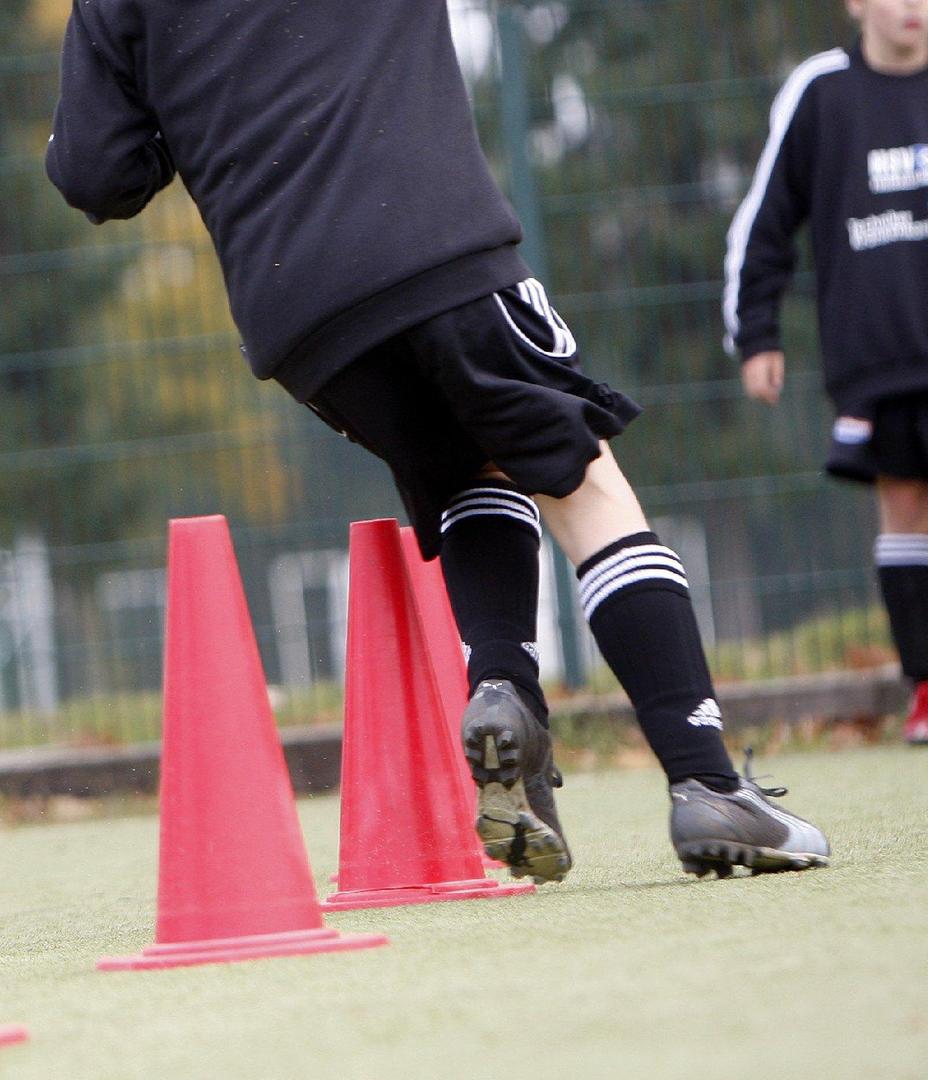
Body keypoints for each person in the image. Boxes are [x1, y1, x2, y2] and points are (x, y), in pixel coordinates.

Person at [45, 0, 830, 881]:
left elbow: (92, 172)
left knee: (471, 469)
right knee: (584, 481)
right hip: (432, 246)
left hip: (296, 319)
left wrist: (195, 123)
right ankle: (705, 779)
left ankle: (503, 694)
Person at [726, 0, 928, 747]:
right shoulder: (823, 94)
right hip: (878, 360)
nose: (911, 7)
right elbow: (766, 221)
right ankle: (925, 687)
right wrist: (757, 334)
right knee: (904, 507)